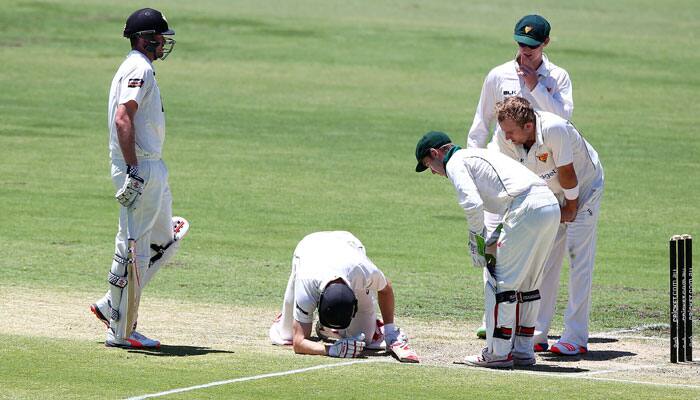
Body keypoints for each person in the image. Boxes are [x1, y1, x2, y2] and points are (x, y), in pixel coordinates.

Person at [468, 14, 574, 339]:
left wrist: (534, 86)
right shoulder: (498, 75)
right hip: (500, 178)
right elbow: (480, 125)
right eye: (520, 45)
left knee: (542, 257)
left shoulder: (557, 78)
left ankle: (536, 330)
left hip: (542, 177)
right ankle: (493, 318)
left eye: (532, 47)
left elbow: (562, 121)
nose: (525, 52)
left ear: (545, 44)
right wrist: (474, 166)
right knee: (493, 247)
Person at [415, 131, 559, 368]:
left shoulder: (456, 162)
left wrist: (476, 243)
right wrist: (490, 237)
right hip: (548, 205)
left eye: (428, 165)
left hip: (527, 207)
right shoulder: (477, 155)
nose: (432, 171)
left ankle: (497, 352)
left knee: (498, 279)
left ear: (435, 153)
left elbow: (473, 205)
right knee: (529, 283)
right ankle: (523, 351)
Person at [89, 8, 188, 349]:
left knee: (167, 239)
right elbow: (122, 118)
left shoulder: (141, 68)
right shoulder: (139, 68)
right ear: (145, 39)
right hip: (140, 166)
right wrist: (132, 170)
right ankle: (121, 330)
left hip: (151, 165)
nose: (164, 43)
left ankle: (109, 303)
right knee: (135, 248)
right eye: (160, 38)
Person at [495, 96, 604, 355]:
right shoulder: (504, 138)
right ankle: (537, 334)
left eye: (511, 132)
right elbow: (511, 179)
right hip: (548, 194)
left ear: (529, 126)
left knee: (578, 257)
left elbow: (567, 172)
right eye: (504, 132)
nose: (507, 137)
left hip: (584, 189)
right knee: (543, 261)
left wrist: (571, 207)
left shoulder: (554, 128)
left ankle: (575, 337)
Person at [269, 231, 419, 363]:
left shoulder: (362, 270)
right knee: (286, 336)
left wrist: (391, 332)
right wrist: (331, 350)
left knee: (365, 340)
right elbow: (299, 342)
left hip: (349, 244)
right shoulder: (306, 280)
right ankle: (289, 318)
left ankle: (367, 327)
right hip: (308, 248)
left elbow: (386, 289)